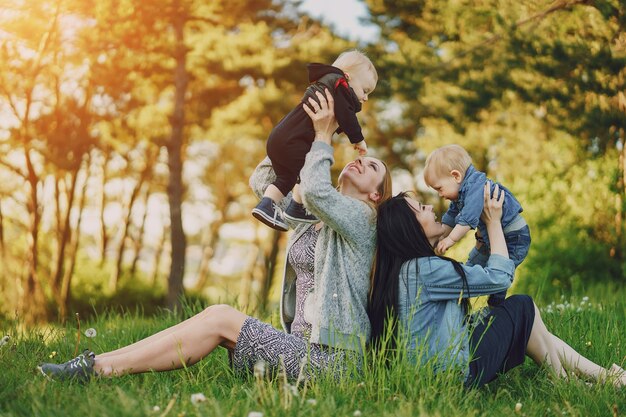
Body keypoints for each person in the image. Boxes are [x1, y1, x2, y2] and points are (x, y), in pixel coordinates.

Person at [38, 89, 392, 383]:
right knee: (210, 317)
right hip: (298, 347)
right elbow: (264, 183)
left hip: (333, 363)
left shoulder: (364, 219)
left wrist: (323, 136)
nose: (362, 161)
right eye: (364, 159)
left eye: (373, 167)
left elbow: (315, 189)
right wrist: (299, 125)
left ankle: (96, 371)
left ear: (376, 194)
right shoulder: (314, 215)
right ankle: (92, 365)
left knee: (221, 316)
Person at [368, 183, 626, 388]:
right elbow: (499, 278)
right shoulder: (424, 269)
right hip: (452, 377)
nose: (431, 208)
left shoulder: (410, 270)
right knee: (522, 306)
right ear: (409, 227)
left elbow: (466, 275)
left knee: (530, 322)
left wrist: (480, 245)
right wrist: (493, 223)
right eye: (421, 208)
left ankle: (595, 378)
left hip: (436, 372)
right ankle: (577, 381)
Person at [252, 50, 378, 232]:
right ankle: (296, 207)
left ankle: (267, 204)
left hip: (278, 139)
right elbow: (346, 116)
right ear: (348, 77)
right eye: (365, 91)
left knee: (287, 177)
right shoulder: (339, 86)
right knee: (307, 170)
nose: (365, 98)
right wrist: (358, 139)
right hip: (292, 142)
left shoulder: (326, 85)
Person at [423, 144, 530, 306]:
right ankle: (465, 294)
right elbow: (451, 217)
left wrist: (451, 240)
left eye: (439, 188)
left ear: (456, 176)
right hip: (492, 237)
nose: (440, 194)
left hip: (514, 236)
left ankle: (497, 303)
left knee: (502, 268)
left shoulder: (475, 188)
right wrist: (440, 236)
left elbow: (468, 218)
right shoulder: (460, 193)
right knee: (474, 265)